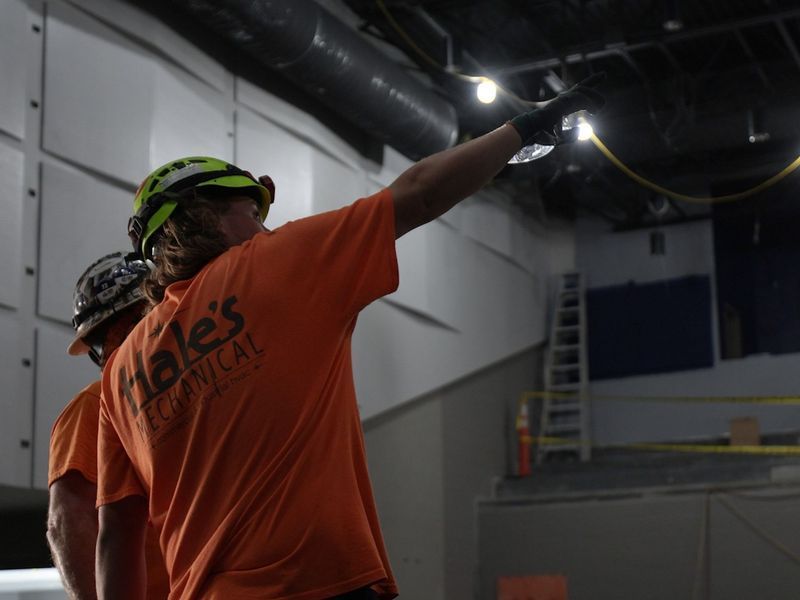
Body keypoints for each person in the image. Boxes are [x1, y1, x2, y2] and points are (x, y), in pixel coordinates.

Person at [95, 75, 605, 599]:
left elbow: (116, 536)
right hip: (318, 584)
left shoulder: (118, 377)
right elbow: (420, 193)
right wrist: (523, 129)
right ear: (207, 213)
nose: (266, 228)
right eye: (251, 213)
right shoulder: (270, 264)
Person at [47, 252, 170, 599]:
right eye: (102, 340)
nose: (113, 349)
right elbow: (67, 519)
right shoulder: (95, 403)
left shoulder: (184, 390)